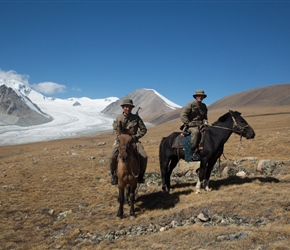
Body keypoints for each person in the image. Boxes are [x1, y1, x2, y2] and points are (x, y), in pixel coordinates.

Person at [108, 99, 148, 185]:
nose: (128, 108)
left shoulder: (136, 118)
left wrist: (135, 137)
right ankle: (114, 175)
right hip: (121, 142)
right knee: (112, 157)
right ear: (123, 108)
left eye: (130, 107)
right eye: (126, 107)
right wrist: (119, 137)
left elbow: (143, 129)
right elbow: (115, 129)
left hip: (133, 141)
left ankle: (140, 175)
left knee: (144, 156)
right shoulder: (119, 118)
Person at [180, 89, 208, 161]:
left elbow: (205, 117)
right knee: (196, 132)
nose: (200, 97)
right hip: (190, 126)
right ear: (196, 97)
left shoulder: (204, 106)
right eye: (198, 96)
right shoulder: (190, 104)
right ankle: (192, 151)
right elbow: (183, 115)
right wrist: (189, 123)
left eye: (201, 96)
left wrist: (205, 122)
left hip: (201, 125)